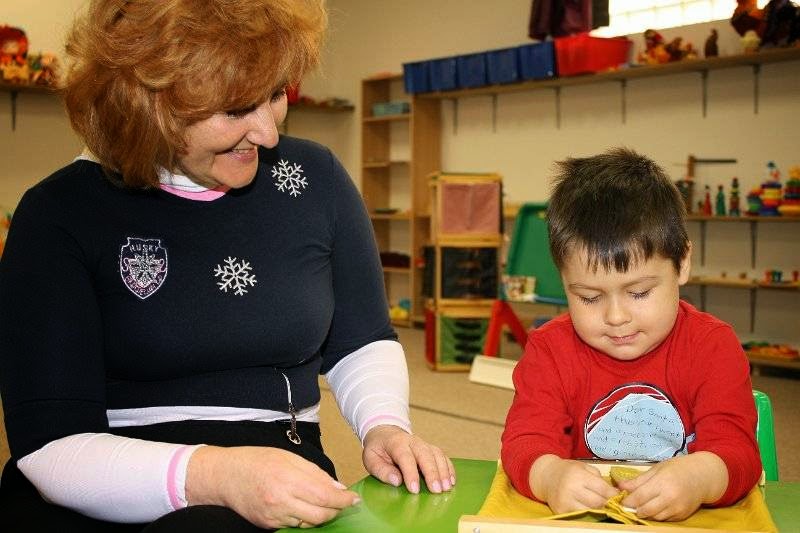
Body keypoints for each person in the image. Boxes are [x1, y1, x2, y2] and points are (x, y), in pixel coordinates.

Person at [0, 1, 455, 531]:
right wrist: (216, 474)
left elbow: (361, 339)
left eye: (276, 94)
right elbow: (52, 444)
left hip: (273, 469)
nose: (267, 132)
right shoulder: (60, 212)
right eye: (236, 110)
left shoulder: (316, 179)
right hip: (102, 479)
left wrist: (385, 427)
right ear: (147, 106)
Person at [501, 148, 761, 522]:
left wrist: (699, 477)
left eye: (639, 293)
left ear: (682, 263)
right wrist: (549, 476)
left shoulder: (712, 346)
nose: (616, 317)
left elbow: (738, 452)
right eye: (588, 297)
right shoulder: (550, 349)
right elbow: (524, 441)